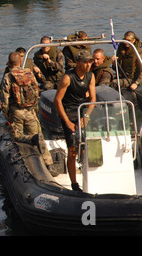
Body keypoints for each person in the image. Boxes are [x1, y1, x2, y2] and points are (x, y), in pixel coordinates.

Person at [0, 52, 55, 172]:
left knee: (16, 138)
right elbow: (36, 90)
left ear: (9, 63)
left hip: (16, 113)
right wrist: (35, 110)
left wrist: (6, 114)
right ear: (20, 62)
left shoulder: (8, 77)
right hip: (31, 112)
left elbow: (4, 99)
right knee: (40, 139)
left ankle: (24, 163)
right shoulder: (29, 73)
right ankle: (49, 165)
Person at [54, 50, 96, 191]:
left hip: (82, 110)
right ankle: (74, 183)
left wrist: (87, 116)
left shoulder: (91, 76)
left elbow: (92, 100)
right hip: (68, 112)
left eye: (90, 62)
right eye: (86, 62)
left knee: (85, 147)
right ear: (78, 62)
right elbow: (57, 101)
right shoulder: (68, 78)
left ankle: (88, 175)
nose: (88, 65)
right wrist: (67, 121)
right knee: (72, 150)